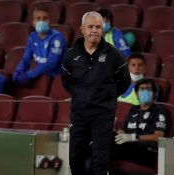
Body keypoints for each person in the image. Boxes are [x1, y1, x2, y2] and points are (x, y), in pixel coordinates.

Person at [61, 12, 131, 175]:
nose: (94, 30)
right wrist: (81, 96)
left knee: (100, 162)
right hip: (79, 115)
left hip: (103, 116)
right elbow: (67, 82)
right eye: (90, 26)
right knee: (76, 159)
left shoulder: (114, 55)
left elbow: (125, 82)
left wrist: (106, 97)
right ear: (82, 29)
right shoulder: (71, 55)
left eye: (98, 27)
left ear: (103, 30)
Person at [112, 78, 168, 170]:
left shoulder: (158, 110)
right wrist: (117, 132)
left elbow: (159, 136)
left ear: (154, 94)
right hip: (126, 147)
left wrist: (135, 137)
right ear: (137, 94)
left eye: (148, 89)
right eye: (142, 89)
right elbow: (123, 130)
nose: (145, 91)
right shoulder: (133, 109)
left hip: (144, 148)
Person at [12, 8, 67, 85]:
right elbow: (26, 58)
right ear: (33, 23)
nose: (41, 21)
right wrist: (19, 71)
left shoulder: (57, 38)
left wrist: (28, 75)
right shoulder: (32, 37)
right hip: (42, 75)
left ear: (49, 21)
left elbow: (51, 63)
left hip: (58, 78)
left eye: (45, 18)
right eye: (38, 18)